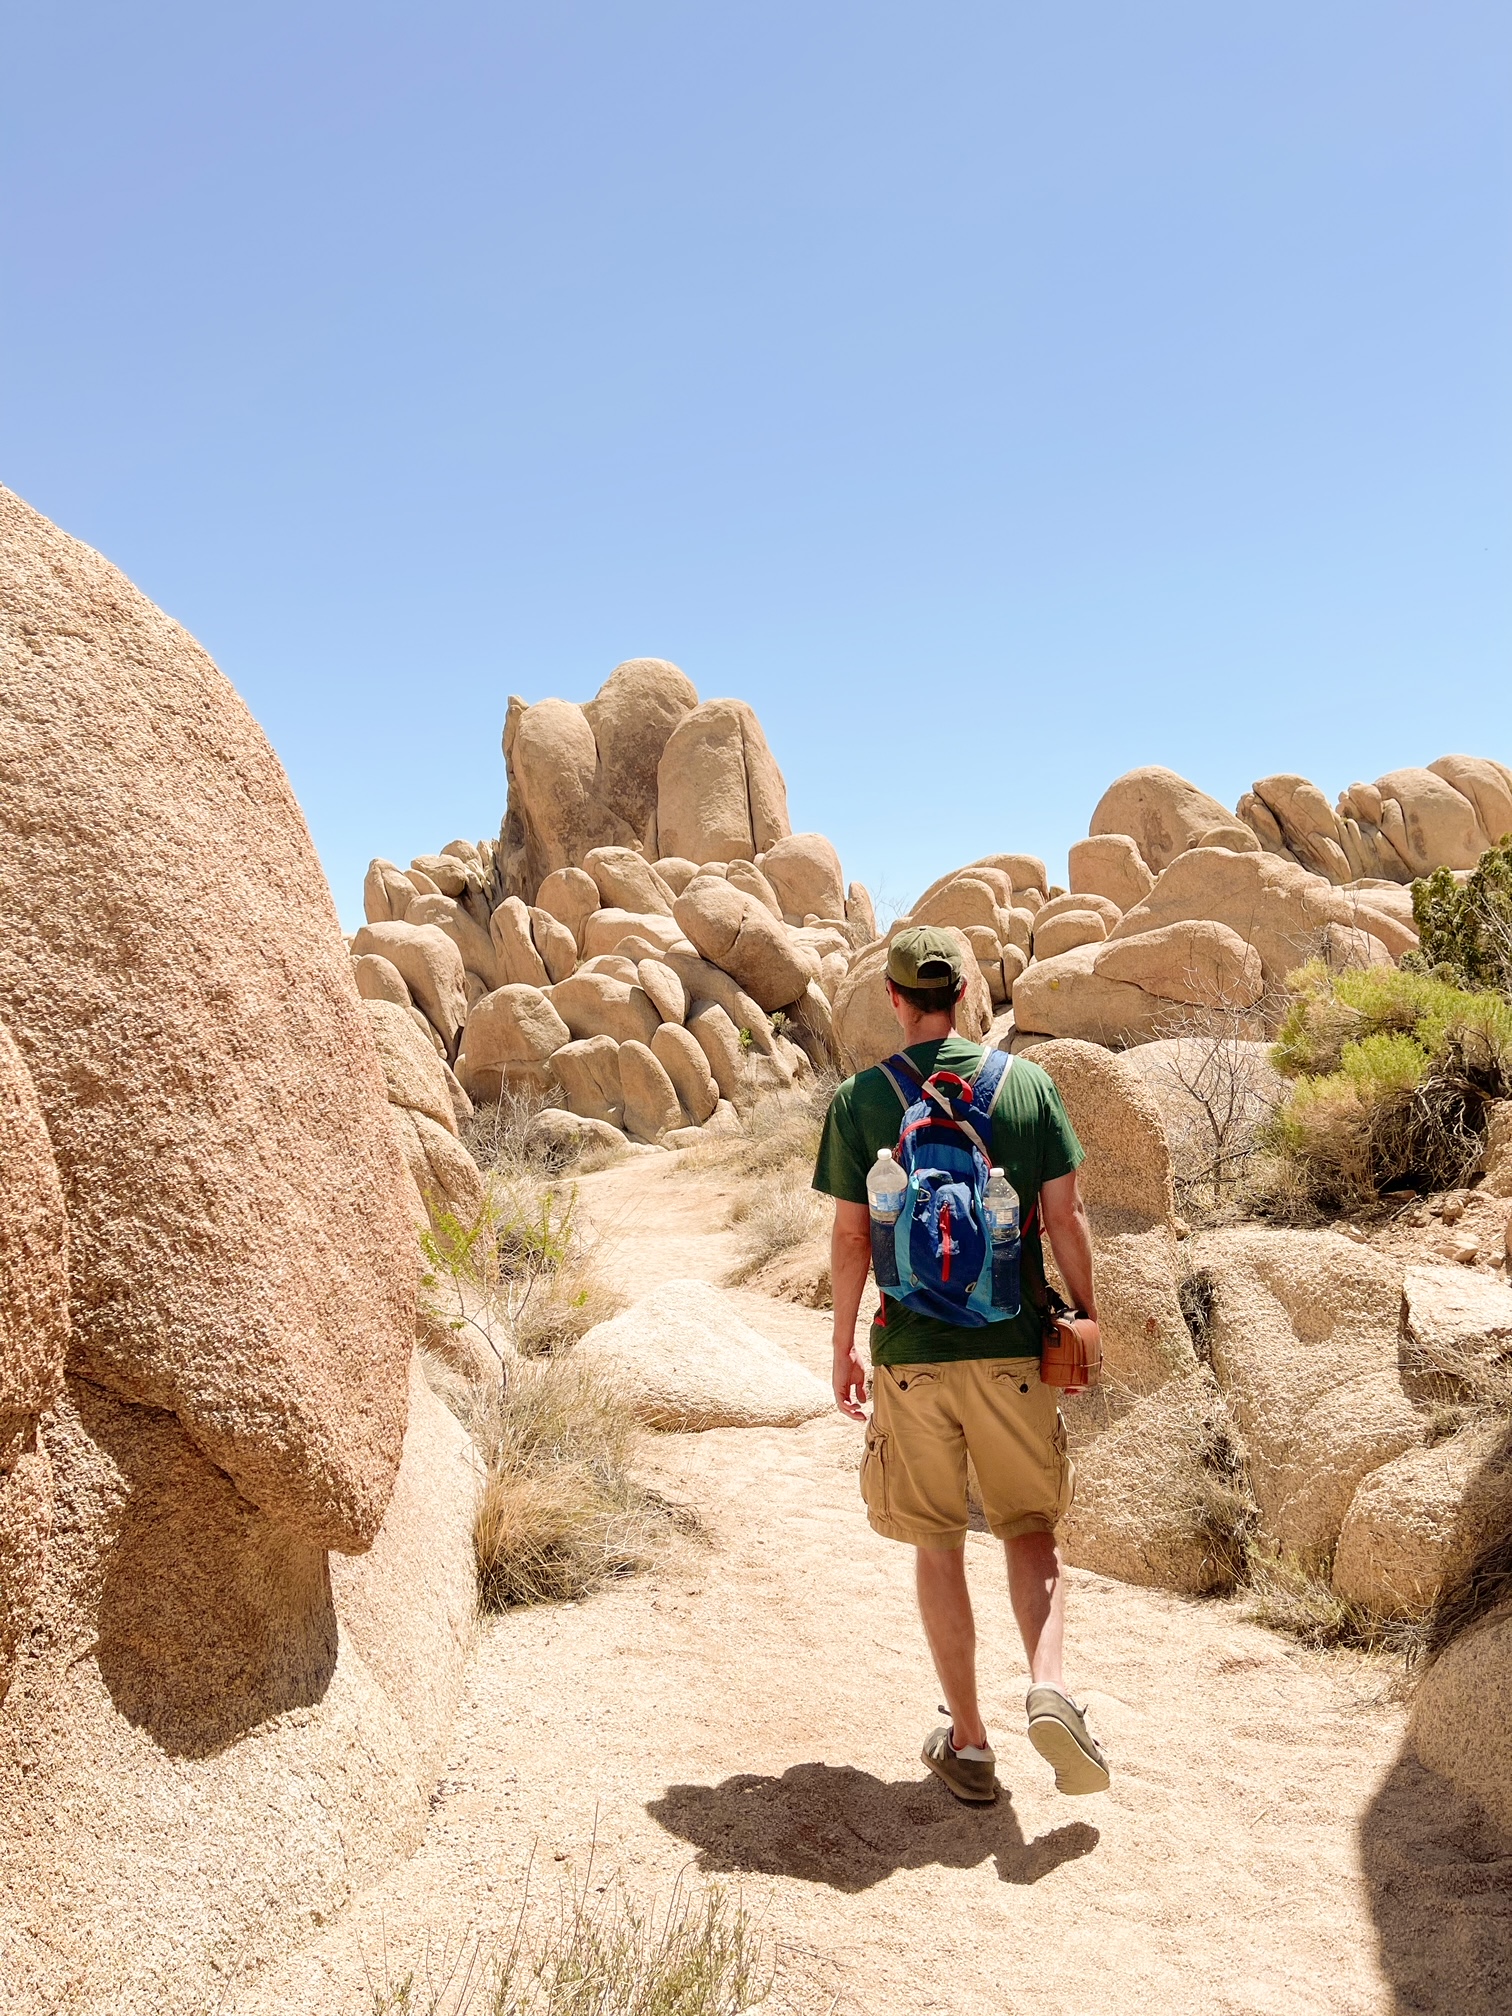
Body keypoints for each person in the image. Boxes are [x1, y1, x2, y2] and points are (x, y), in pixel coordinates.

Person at [812, 925, 1110, 1804]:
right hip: (1013, 1349)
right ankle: (1049, 1687)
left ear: (897, 999)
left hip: (910, 1356)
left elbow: (848, 1239)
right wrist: (1088, 1314)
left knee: (937, 1541)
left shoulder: (861, 1099)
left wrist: (841, 1348)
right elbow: (1066, 1217)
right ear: (969, 995)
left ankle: (971, 1745)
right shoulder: (1028, 1087)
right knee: (1029, 1526)